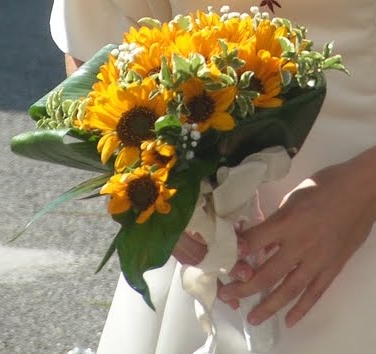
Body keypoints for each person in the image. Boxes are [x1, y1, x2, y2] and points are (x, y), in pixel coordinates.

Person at [50, 1, 376, 353]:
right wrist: (143, 180)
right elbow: (93, 43)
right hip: (194, 225)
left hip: (359, 235)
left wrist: (363, 190)